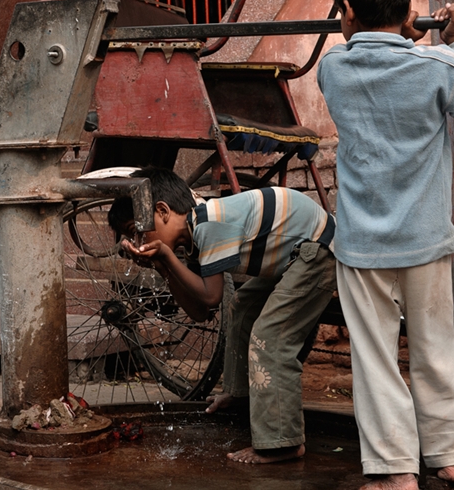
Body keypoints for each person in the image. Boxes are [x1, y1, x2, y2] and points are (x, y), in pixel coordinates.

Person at [316, 0, 454, 490]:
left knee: (375, 361)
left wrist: (399, 30)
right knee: (435, 350)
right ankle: (448, 456)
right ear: (406, 11)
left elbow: (369, 51)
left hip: (361, 246)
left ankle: (394, 471)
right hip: (424, 239)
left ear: (347, 11)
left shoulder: (333, 68)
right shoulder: (439, 67)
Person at [108, 166, 337, 464]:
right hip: (294, 256)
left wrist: (165, 256)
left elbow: (210, 296)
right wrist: (162, 266)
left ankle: (284, 442)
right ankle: (240, 397)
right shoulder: (193, 237)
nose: (138, 242)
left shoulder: (208, 223)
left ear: (163, 211)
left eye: (137, 230)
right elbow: (201, 312)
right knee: (242, 306)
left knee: (270, 337)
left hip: (318, 250)